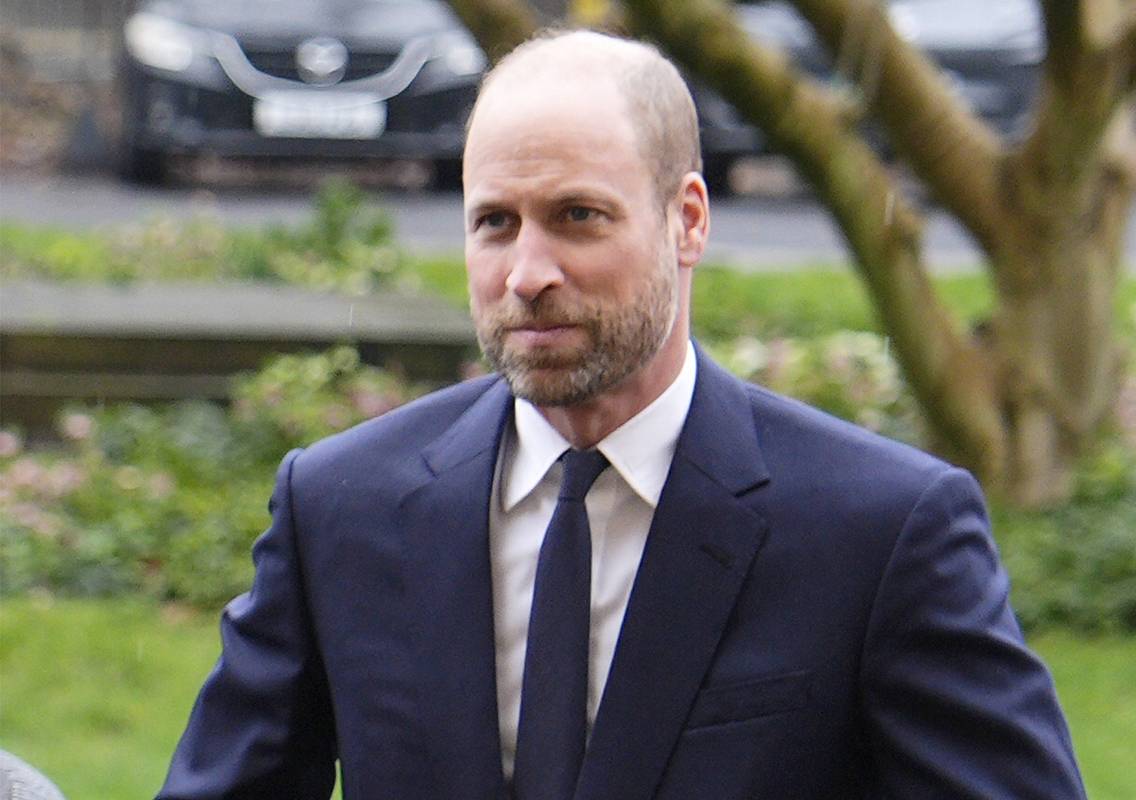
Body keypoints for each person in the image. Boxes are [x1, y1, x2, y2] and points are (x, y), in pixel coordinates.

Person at [158, 29, 1087, 800]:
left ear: (689, 221)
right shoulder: (340, 506)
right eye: (495, 222)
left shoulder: (880, 534)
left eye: (578, 216)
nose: (528, 274)